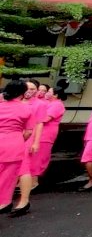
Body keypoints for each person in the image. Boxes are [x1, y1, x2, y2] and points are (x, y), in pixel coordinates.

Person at [0, 81, 36, 215]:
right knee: (8, 176)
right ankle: (4, 202)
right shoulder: (26, 108)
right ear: (22, 93)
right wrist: (20, 140)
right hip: (14, 142)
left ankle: (4, 203)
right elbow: (28, 132)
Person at [13, 79, 46, 217]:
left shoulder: (40, 104)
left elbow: (39, 124)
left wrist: (36, 142)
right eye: (27, 88)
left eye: (32, 89)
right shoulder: (16, 101)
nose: (29, 91)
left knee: (23, 166)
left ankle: (24, 198)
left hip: (28, 137)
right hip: (12, 137)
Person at [30, 87, 66, 185]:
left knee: (39, 156)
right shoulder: (49, 103)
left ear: (56, 95)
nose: (46, 93)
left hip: (46, 133)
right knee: (34, 156)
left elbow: (45, 119)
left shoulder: (57, 105)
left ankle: (34, 181)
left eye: (49, 92)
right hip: (40, 132)